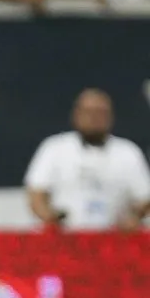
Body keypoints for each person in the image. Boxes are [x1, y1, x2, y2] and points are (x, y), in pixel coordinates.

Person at [25, 88, 150, 232]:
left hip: (115, 239)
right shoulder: (54, 148)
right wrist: (49, 216)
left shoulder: (128, 152)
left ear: (111, 117)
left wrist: (134, 216)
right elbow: (36, 193)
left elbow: (145, 198)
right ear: (76, 114)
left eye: (100, 113)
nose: (94, 118)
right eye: (88, 112)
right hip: (65, 238)